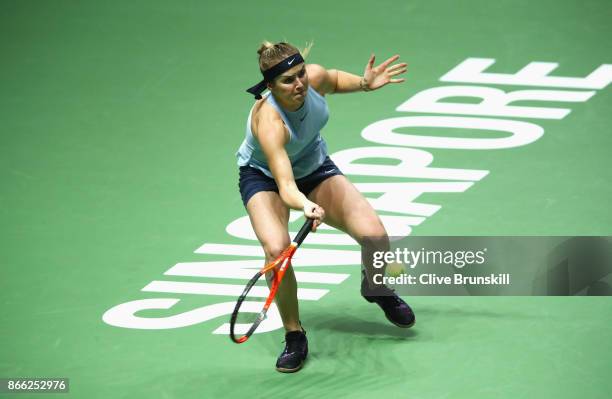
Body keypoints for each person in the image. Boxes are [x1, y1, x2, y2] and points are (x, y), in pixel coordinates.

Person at [237, 41, 415, 373]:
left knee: (375, 235)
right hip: (266, 179)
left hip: (314, 167)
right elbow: (286, 185)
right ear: (270, 85)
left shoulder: (313, 79)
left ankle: (376, 287)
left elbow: (331, 78)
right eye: (288, 80)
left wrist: (364, 84)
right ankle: (294, 334)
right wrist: (306, 205)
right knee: (276, 252)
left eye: (301, 74)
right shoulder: (270, 122)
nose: (300, 84)